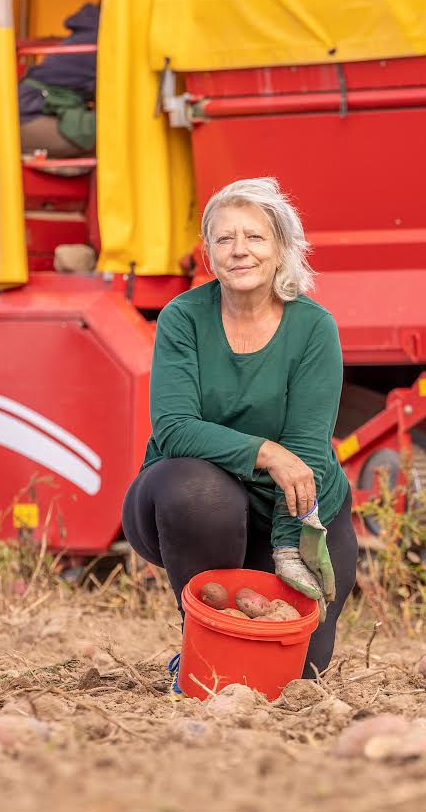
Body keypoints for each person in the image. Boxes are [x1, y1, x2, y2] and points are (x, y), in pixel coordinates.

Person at [120, 176, 356, 691]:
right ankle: (200, 645)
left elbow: (309, 451)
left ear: (281, 249)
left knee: (298, 673)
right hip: (195, 506)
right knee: (200, 491)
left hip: (299, 509)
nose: (239, 250)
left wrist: (288, 547)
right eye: (224, 239)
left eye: (254, 237)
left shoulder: (314, 327)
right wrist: (266, 453)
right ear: (208, 252)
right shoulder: (183, 317)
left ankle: (246, 616)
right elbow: (175, 428)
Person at [19, 2, 99, 159]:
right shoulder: (103, 37)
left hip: (35, 108)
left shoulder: (93, 29)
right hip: (31, 114)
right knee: (117, 134)